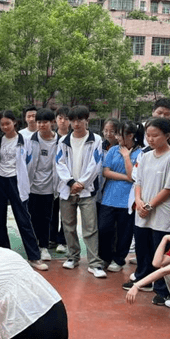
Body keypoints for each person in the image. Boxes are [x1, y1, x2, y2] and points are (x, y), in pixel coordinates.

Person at [123, 118, 170, 306]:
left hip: (162, 212)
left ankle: (163, 289)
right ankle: (143, 278)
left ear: (167, 135)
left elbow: (169, 188)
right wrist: (139, 202)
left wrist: (148, 206)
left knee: (161, 250)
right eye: (148, 135)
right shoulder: (146, 156)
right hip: (143, 211)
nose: (150, 139)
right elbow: (138, 181)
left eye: (155, 135)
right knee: (143, 247)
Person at [0, 110, 47, 271]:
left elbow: (30, 162)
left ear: (14, 122)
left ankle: (34, 256)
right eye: (2, 124)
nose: (5, 127)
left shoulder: (25, 141)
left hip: (16, 181)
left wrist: (25, 182)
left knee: (23, 219)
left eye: (7, 123)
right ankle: (5, 255)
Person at [56, 105, 106, 278]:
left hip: (87, 191)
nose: (76, 124)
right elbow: (59, 163)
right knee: (68, 226)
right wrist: (70, 182)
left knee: (90, 227)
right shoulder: (63, 141)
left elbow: (96, 164)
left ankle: (94, 263)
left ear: (87, 121)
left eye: (80, 120)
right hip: (67, 190)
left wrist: (82, 183)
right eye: (73, 120)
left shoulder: (96, 140)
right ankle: (73, 256)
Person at [98, 121, 144, 272]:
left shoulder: (140, 153)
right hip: (109, 196)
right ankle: (105, 257)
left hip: (128, 199)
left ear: (131, 135)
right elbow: (106, 172)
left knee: (124, 232)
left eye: (120, 134)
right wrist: (126, 178)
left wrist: (126, 157)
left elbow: (134, 176)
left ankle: (118, 259)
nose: (116, 137)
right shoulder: (113, 150)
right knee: (105, 229)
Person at [26, 108, 60, 263]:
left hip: (49, 186)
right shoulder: (30, 140)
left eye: (44, 122)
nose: (41, 125)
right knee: (32, 217)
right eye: (39, 122)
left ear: (52, 122)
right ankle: (33, 246)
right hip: (32, 186)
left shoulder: (60, 141)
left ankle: (44, 246)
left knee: (46, 218)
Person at [50, 106, 70, 253]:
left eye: (66, 118)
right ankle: (51, 238)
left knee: (66, 212)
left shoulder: (73, 138)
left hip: (68, 181)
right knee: (52, 211)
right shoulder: (51, 137)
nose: (63, 121)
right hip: (51, 181)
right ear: (55, 120)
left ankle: (62, 240)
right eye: (60, 118)